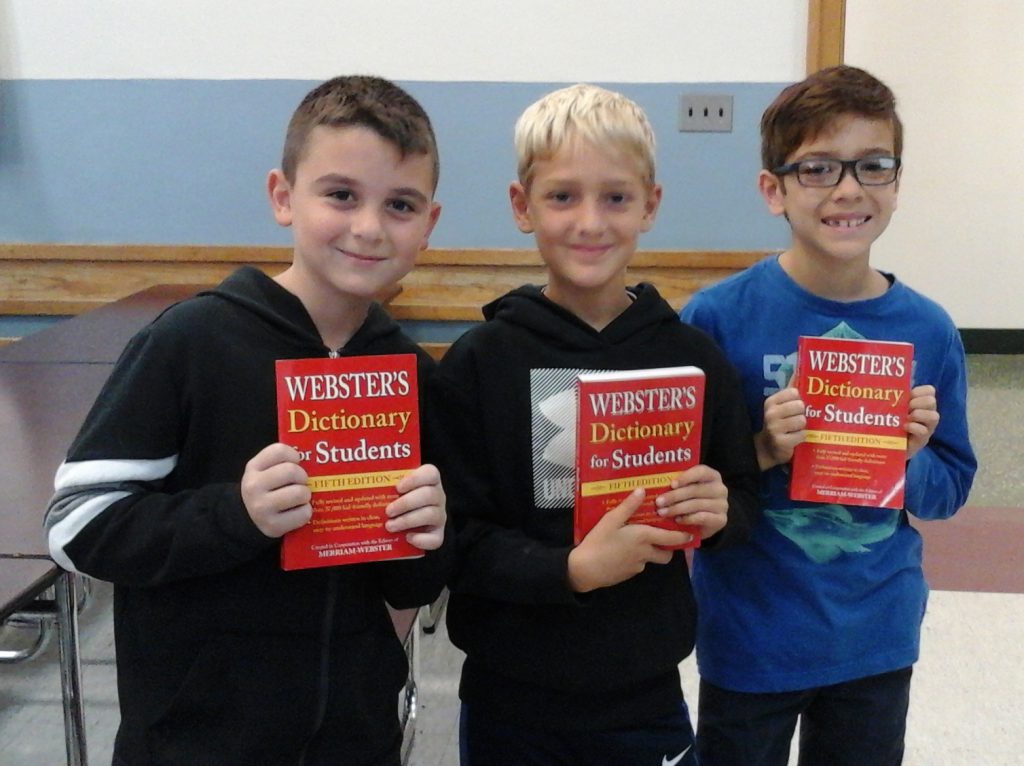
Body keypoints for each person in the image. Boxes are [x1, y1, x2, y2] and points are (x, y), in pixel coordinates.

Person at [43, 75, 452, 766]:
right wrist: (237, 513)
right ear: (283, 196)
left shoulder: (411, 375)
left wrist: (426, 538)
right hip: (194, 741)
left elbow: (405, 589)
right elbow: (75, 524)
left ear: (429, 225)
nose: (369, 227)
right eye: (341, 194)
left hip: (354, 742)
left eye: (400, 204)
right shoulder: (191, 342)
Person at [429, 83, 761, 766]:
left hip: (643, 692)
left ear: (651, 205)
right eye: (562, 196)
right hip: (507, 697)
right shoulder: (480, 362)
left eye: (615, 197)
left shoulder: (692, 358)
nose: (590, 222)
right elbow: (455, 540)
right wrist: (571, 570)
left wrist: (720, 512)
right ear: (523, 207)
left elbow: (743, 501)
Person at [679, 65, 977, 766]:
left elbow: (952, 486)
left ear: (897, 182)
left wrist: (909, 455)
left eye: (873, 165)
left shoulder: (928, 330)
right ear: (772, 189)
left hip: (875, 633)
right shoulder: (718, 318)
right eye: (817, 168)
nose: (849, 189)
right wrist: (757, 448)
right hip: (752, 631)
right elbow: (686, 484)